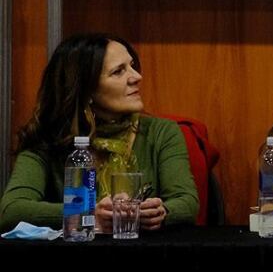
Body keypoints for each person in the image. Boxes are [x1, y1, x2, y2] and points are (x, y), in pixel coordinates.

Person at [0, 33, 197, 233]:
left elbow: (187, 202)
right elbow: (12, 211)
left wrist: (162, 212)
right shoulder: (49, 138)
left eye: (132, 66)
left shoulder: (161, 132)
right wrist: (88, 214)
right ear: (85, 90)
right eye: (119, 71)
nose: (137, 77)